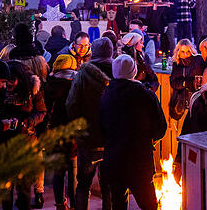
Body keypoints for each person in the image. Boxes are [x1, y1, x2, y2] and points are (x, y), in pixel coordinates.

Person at [100, 54, 167, 210]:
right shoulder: (146, 95)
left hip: (114, 159)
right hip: (140, 160)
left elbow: (101, 126)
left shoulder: (106, 95)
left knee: (118, 202)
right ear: (133, 71)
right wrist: (150, 140)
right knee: (148, 203)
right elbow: (160, 127)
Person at [66, 38, 114, 210]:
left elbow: (71, 104)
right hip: (111, 139)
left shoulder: (82, 74)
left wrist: (78, 130)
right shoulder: (118, 72)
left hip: (88, 138)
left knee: (83, 185)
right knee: (109, 186)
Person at [1, 60, 47, 210]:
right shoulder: (0, 91)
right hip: (6, 142)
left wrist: (28, 122)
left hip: (27, 141)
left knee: (25, 185)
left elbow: (41, 112)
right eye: (6, 80)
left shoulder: (33, 90)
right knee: (6, 185)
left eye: (12, 81)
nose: (8, 84)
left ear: (20, 79)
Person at [45, 54, 79, 210]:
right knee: (73, 172)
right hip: (73, 132)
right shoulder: (76, 84)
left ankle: (60, 204)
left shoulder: (49, 83)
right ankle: (73, 204)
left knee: (59, 171)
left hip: (54, 133)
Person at [168, 39, 205, 121]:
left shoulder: (198, 60)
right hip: (181, 100)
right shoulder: (177, 63)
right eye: (182, 51)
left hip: (196, 98)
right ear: (178, 52)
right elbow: (173, 82)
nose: (185, 54)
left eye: (188, 51)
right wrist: (185, 83)